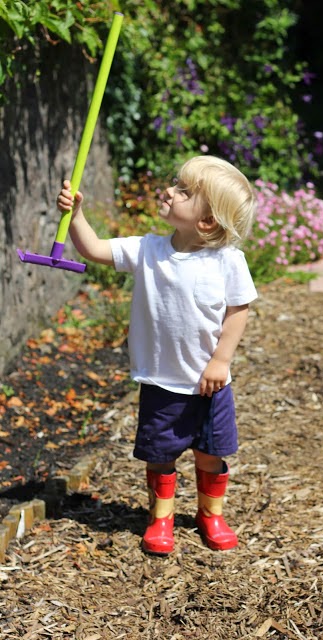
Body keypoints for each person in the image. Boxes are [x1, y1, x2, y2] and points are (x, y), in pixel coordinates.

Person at [57, 155, 258, 555]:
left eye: (184, 191)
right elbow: (94, 249)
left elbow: (239, 311)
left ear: (206, 222)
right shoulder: (147, 250)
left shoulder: (227, 261)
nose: (169, 190)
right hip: (162, 380)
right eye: (175, 183)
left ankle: (210, 514)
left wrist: (221, 360)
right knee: (161, 455)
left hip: (209, 385)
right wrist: (76, 215)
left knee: (210, 452)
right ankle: (161, 518)